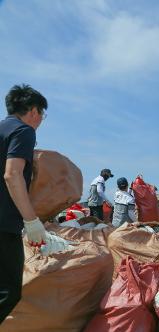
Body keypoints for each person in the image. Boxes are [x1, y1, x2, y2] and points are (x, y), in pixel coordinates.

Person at [0, 84, 48, 323]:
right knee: (8, 292)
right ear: (33, 111)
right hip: (4, 224)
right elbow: (12, 174)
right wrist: (31, 221)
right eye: (42, 114)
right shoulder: (23, 131)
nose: (41, 120)